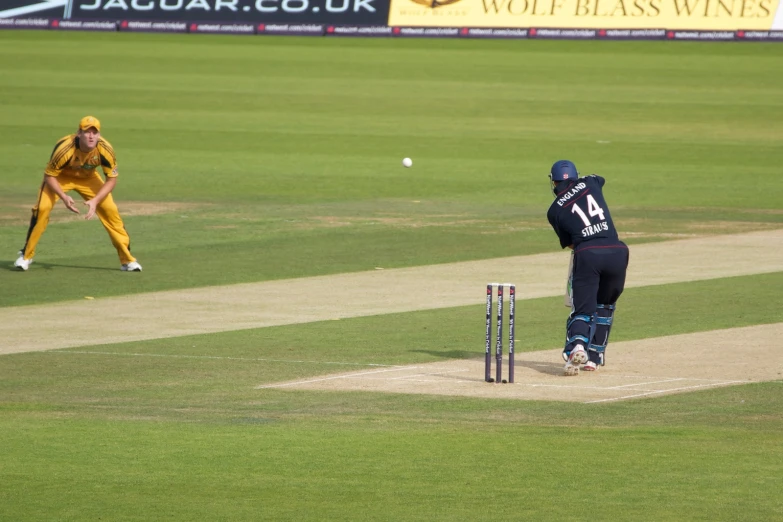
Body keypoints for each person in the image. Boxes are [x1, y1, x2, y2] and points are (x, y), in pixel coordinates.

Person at [14, 116, 142, 272]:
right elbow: (49, 176)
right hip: (60, 178)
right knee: (42, 208)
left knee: (110, 211)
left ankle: (127, 260)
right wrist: (64, 197)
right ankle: (26, 256)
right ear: (79, 133)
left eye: (94, 133)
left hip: (88, 178)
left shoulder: (105, 150)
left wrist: (95, 201)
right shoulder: (64, 149)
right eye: (87, 132)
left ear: (99, 135)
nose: (91, 136)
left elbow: (111, 180)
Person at [546, 160, 628, 376]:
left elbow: (571, 243)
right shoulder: (591, 182)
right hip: (618, 251)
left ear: (553, 182)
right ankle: (594, 357)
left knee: (582, 309)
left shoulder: (554, 211)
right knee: (606, 305)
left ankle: (578, 346)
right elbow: (599, 178)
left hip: (588, 253)